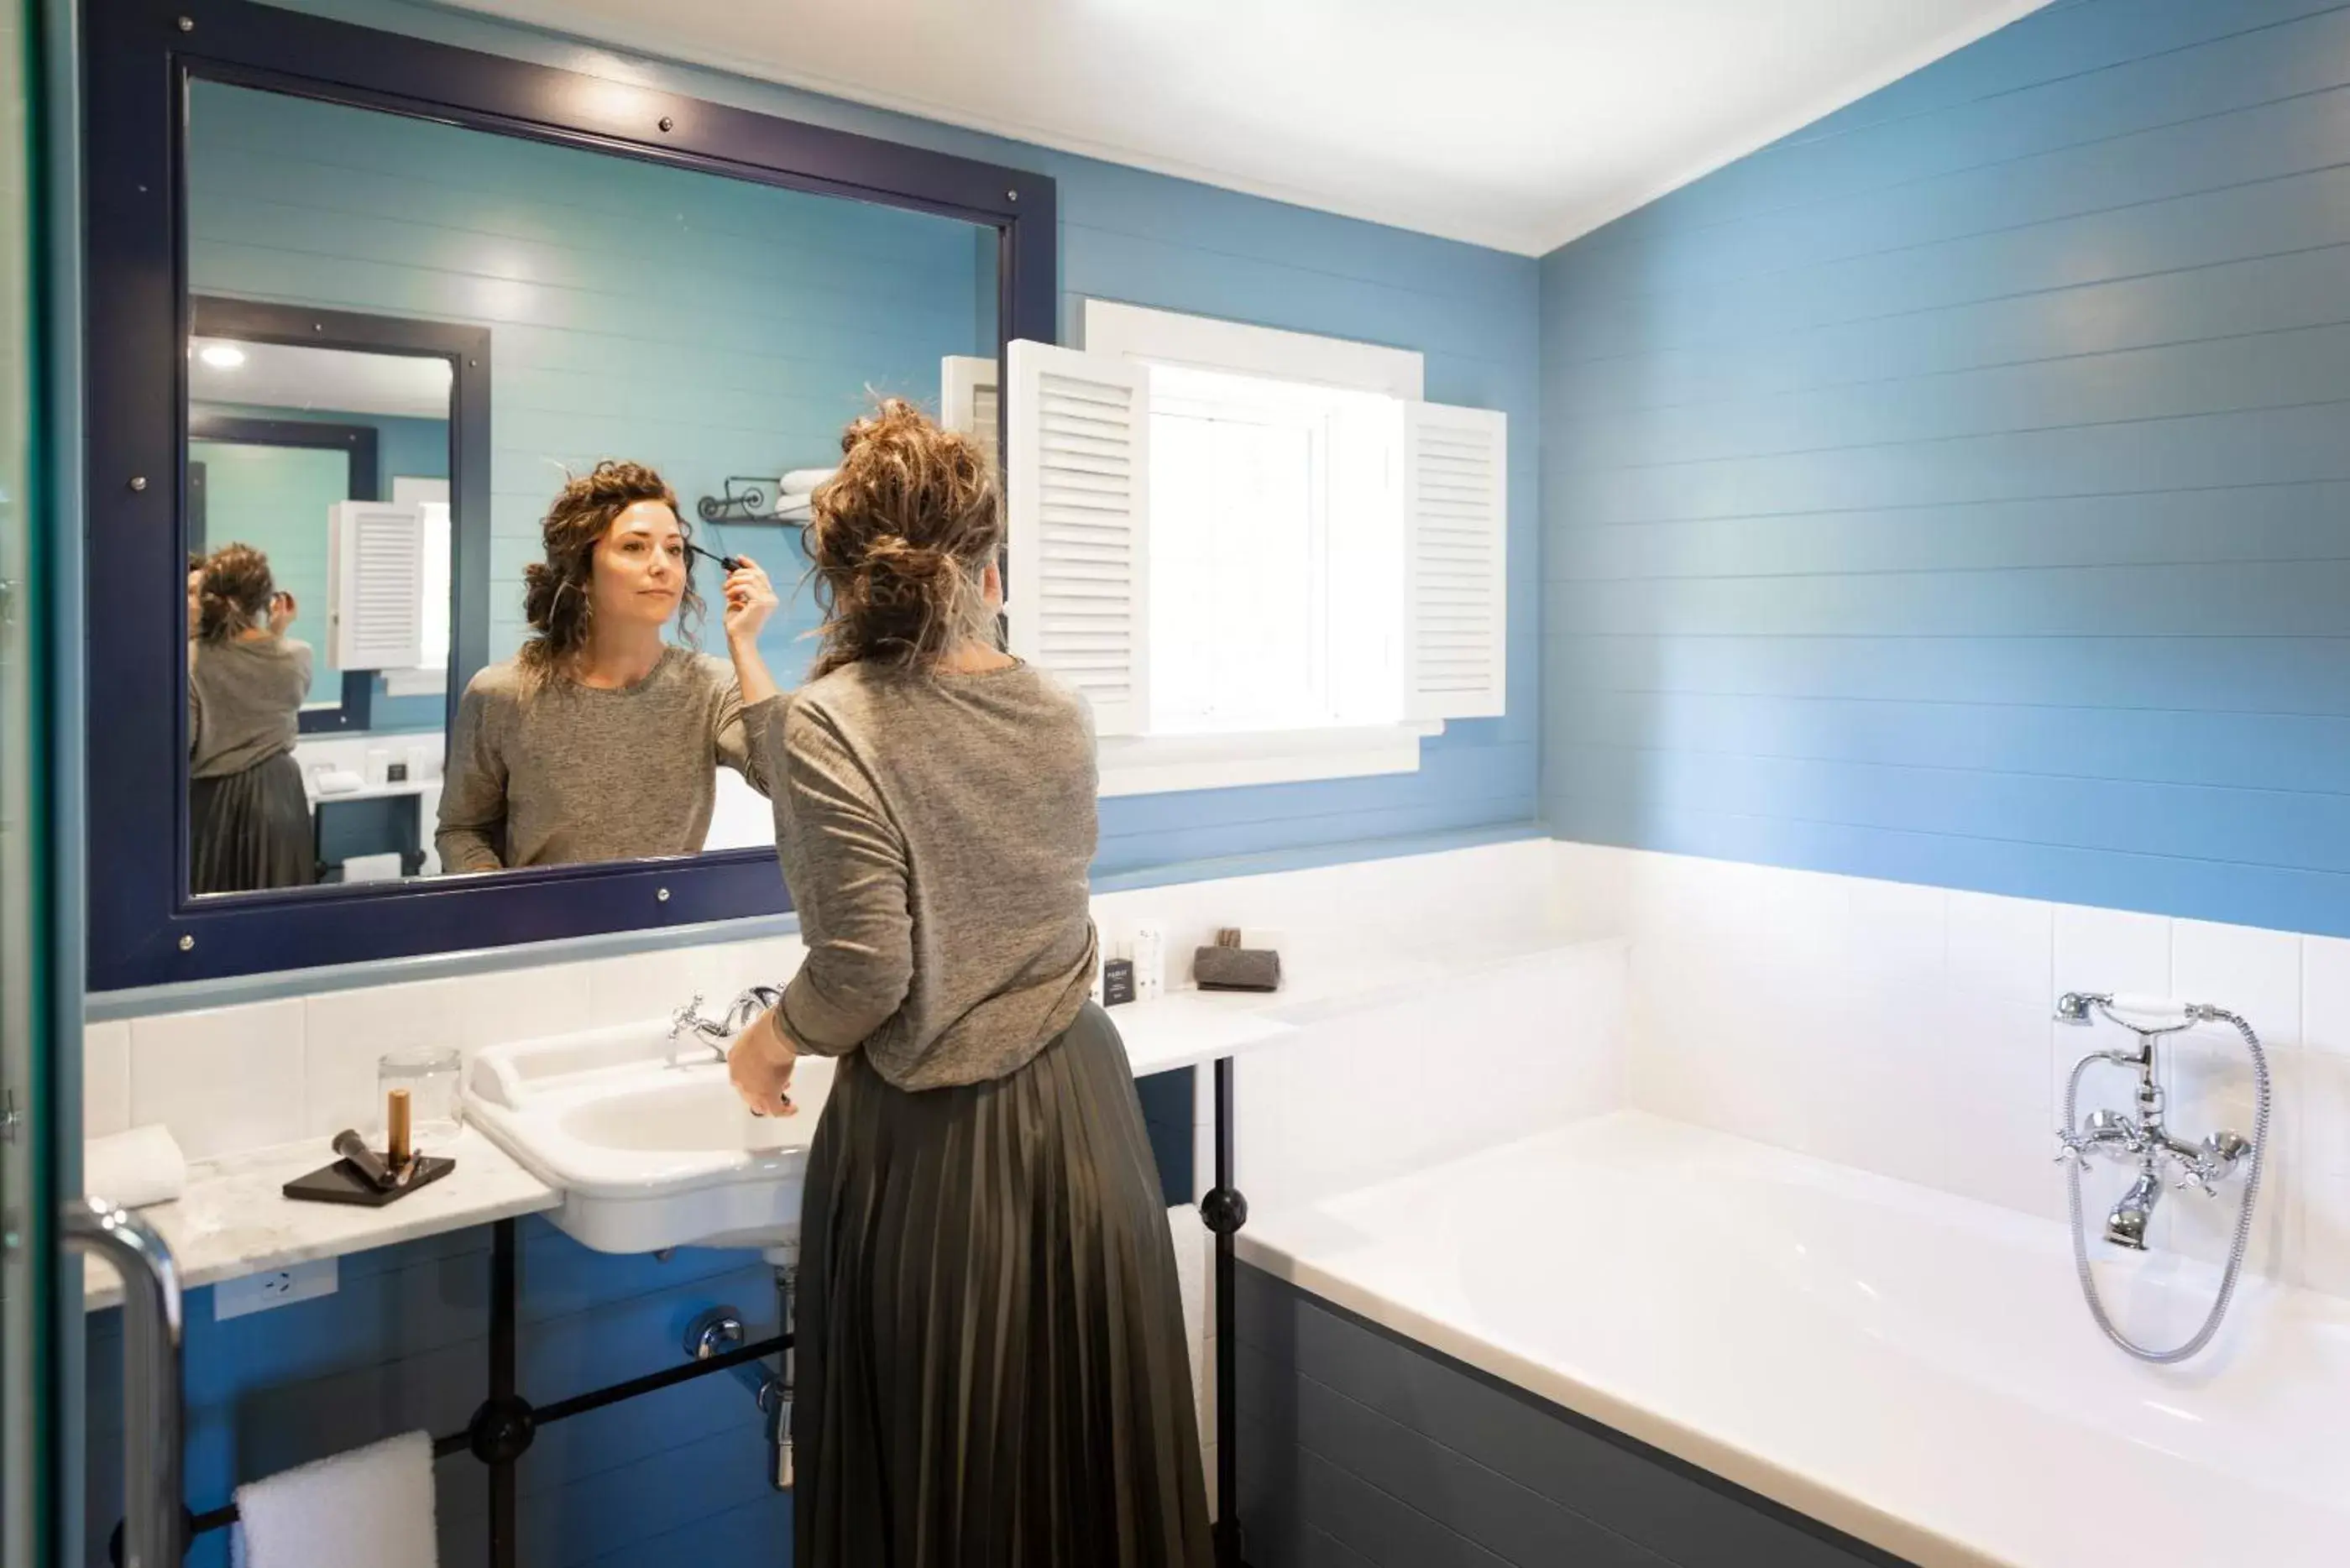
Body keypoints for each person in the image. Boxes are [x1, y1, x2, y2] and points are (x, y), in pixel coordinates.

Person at [724, 400, 1212, 1567]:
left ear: (841, 580)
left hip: (936, 1153)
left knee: (956, 1484)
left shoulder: (833, 721)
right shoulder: (1057, 706)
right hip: (1086, 1113)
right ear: (990, 565)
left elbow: (861, 971)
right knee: (1083, 1475)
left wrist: (771, 1042)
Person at [435, 460, 782, 870]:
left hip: (667, 925)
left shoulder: (710, 686)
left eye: (674, 549)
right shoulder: (502, 693)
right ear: (583, 571)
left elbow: (782, 781)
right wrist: (502, 909)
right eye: (634, 546)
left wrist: (744, 643)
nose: (663, 565)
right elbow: (461, 830)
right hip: (538, 928)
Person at [187, 543, 314, 892]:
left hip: (216, 800)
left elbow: (189, 740)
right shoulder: (298, 655)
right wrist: (277, 632)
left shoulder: (192, 659)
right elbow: (263, 676)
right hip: (280, 796)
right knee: (277, 907)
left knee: (219, 909)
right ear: (264, 598)